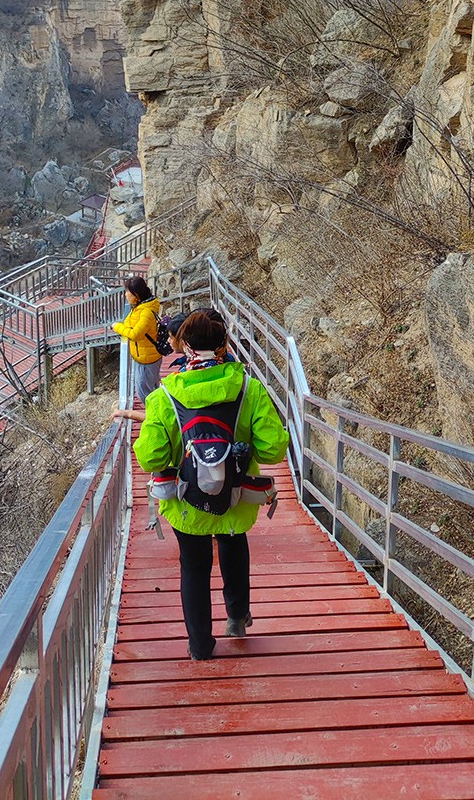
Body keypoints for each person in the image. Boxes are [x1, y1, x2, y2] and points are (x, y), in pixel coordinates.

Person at [132, 308, 289, 661]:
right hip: (235, 497)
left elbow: (151, 458)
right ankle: (236, 617)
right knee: (234, 549)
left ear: (183, 347)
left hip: (187, 501)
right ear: (225, 345)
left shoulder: (164, 396)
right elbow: (274, 448)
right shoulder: (249, 388)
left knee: (194, 565)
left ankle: (200, 644)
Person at [113, 275, 163, 406]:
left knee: (144, 392)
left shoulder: (145, 311)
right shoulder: (138, 307)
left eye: (127, 292)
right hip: (143, 354)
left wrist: (117, 327)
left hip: (147, 358)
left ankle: (157, 416)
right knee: (151, 388)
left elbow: (135, 334)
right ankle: (160, 411)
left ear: (136, 294)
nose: (125, 295)